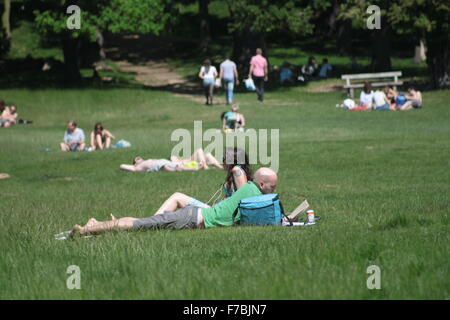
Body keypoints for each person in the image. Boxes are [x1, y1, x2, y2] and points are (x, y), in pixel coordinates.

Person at [70, 167, 277, 236]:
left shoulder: (252, 191)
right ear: (261, 184)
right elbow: (267, 212)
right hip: (192, 217)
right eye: (272, 187)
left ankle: (96, 224)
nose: (274, 191)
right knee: (139, 225)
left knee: (144, 223)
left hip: (195, 215)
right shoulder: (253, 193)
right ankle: (86, 229)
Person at [155, 147, 253, 214]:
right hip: (217, 210)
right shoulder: (236, 171)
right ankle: (152, 220)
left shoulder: (237, 170)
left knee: (177, 197)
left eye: (225, 157)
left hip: (218, 213)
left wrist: (224, 202)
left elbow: (242, 198)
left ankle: (151, 221)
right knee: (179, 201)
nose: (223, 160)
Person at [120, 149, 222, 172]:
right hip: (165, 166)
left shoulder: (149, 160)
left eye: (139, 157)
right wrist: (132, 166)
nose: (139, 158)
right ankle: (203, 168)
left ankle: (220, 167)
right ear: (135, 163)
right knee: (176, 167)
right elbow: (122, 166)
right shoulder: (137, 167)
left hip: (168, 164)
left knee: (203, 152)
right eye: (137, 159)